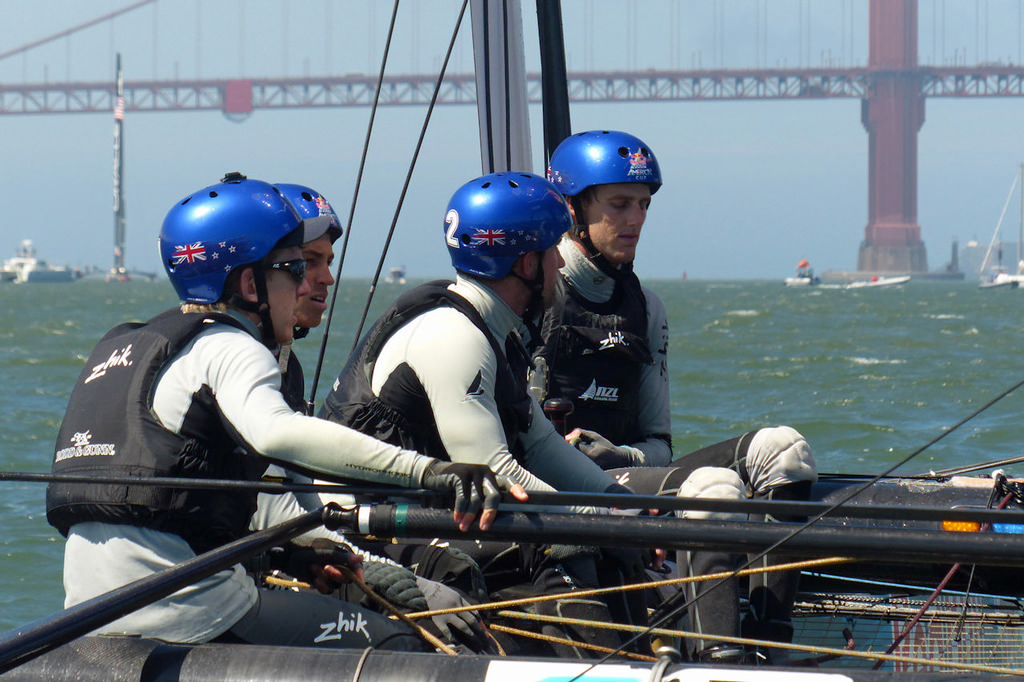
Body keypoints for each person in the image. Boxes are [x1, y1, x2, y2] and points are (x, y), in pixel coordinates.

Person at [45, 172, 520, 651]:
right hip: (194, 614)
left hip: (90, 616)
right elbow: (275, 434)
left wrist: (289, 558)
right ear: (249, 282)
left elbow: (161, 522)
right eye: (294, 268)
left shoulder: (125, 349)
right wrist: (432, 472)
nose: (304, 285)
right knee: (403, 642)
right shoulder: (230, 345)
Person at [320, 171, 651, 658]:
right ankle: (605, 667)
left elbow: (541, 446)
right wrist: (600, 521)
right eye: (552, 250)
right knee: (568, 543)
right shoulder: (455, 337)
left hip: (438, 511)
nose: (562, 262)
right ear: (524, 263)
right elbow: (495, 472)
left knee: (596, 531)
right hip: (379, 527)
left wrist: (622, 508)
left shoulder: (498, 331)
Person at [540, 130, 818, 663]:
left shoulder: (647, 308)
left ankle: (768, 650)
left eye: (643, 205)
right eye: (619, 204)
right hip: (568, 485)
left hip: (626, 473)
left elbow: (659, 445)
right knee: (714, 488)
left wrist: (620, 457)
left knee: (786, 451)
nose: (636, 220)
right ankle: (721, 660)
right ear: (572, 207)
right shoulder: (537, 291)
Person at [252, 182, 494, 651]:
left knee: (451, 577)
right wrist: (379, 569)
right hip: (277, 565)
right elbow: (274, 509)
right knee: (436, 601)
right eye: (306, 263)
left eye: (327, 262)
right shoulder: (245, 365)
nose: (324, 278)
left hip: (316, 543)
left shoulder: (285, 363)